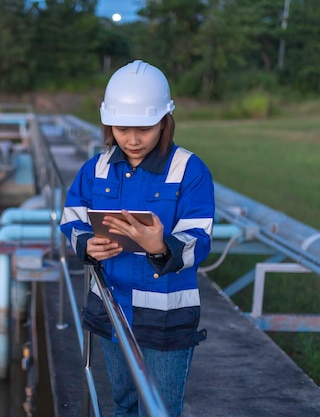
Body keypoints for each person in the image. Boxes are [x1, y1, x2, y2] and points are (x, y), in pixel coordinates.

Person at [60, 59, 215, 417]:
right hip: (111, 307)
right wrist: (85, 243)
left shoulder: (189, 170)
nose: (132, 139)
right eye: (121, 128)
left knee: (160, 408)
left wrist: (161, 246)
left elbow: (200, 235)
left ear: (165, 122)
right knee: (124, 402)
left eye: (144, 129)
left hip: (166, 317)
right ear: (108, 123)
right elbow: (72, 216)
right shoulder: (96, 168)